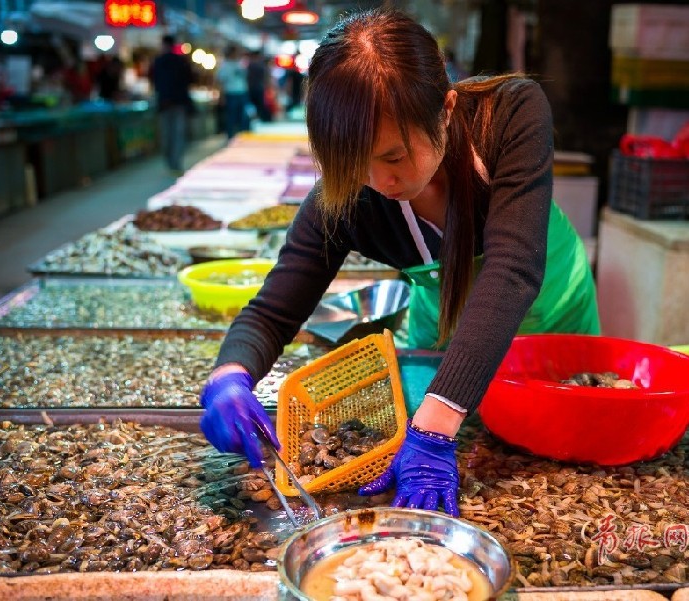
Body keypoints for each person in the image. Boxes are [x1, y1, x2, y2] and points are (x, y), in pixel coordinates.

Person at [199, 9, 599, 517]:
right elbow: (273, 312)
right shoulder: (346, 196)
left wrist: (434, 428)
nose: (379, 181)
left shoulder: (511, 113)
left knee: (555, 447)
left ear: (446, 109)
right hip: (443, 326)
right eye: (354, 161)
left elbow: (513, 268)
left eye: (393, 156)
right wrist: (229, 376)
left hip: (548, 307)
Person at [149, 34, 193, 175]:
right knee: (177, 134)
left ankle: (170, 162)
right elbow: (190, 79)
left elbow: (154, 81)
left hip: (164, 103)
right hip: (179, 103)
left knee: (167, 134)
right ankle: (176, 163)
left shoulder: (157, 62)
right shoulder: (181, 61)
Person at [216, 45, 251, 141]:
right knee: (231, 117)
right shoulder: (225, 65)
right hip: (230, 93)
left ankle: (243, 137)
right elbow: (221, 82)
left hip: (242, 93)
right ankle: (230, 138)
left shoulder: (241, 64)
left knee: (244, 117)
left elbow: (246, 78)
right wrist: (221, 96)